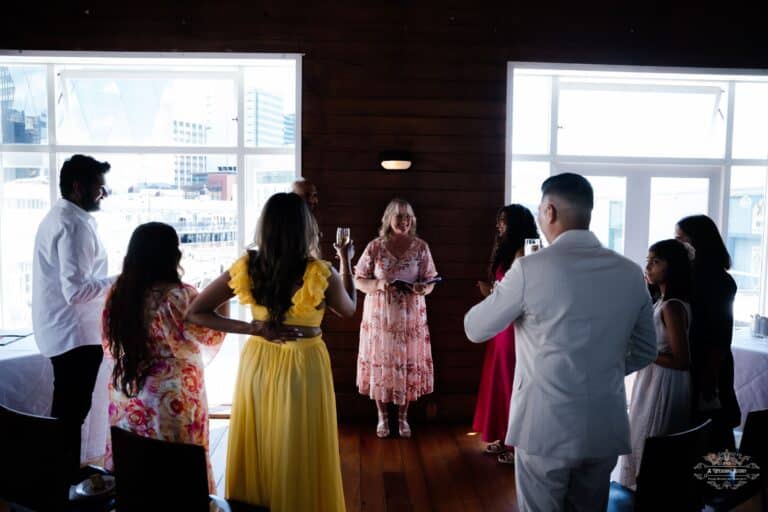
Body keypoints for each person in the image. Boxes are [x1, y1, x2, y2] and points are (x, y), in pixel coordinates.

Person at [464, 173, 657, 511]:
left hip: (543, 425)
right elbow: (645, 350)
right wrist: (603, 369)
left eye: (540, 210)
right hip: (603, 423)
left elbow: (475, 328)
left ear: (549, 210)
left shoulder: (528, 270)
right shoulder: (629, 273)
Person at [186, 192, 356, 511]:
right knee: (297, 442)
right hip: (304, 363)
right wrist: (346, 260)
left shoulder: (248, 267)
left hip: (259, 359)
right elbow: (348, 308)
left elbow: (197, 312)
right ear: (306, 228)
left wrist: (254, 328)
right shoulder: (321, 272)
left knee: (261, 438)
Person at [102, 222, 226, 492]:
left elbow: (110, 344)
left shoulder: (119, 293)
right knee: (179, 473)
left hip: (128, 390)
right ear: (172, 255)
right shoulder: (180, 296)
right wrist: (222, 297)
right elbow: (211, 335)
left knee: (136, 466)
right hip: (173, 396)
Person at [31, 154, 115, 481]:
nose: (103, 194)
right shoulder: (73, 225)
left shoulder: (60, 216)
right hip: (75, 335)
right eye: (99, 187)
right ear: (79, 188)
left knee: (67, 411)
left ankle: (59, 478)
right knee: (70, 413)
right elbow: (76, 291)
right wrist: (121, 279)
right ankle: (60, 483)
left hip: (63, 330)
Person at [354, 198, 438, 438]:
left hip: (410, 319)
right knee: (381, 363)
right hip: (380, 318)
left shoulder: (421, 247)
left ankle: (403, 418)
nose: (404, 221)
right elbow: (359, 279)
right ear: (388, 219)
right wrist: (379, 283)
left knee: (406, 364)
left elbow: (431, 279)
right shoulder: (375, 247)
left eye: (408, 216)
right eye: (399, 216)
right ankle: (382, 417)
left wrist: (424, 288)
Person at [619, 239, 693, 489]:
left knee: (650, 439)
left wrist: (646, 353)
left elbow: (682, 360)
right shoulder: (660, 302)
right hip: (652, 379)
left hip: (664, 383)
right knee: (641, 437)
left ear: (673, 267)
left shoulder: (672, 307)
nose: (648, 266)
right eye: (648, 261)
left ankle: (645, 495)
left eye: (656, 261)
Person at [473, 204, 538, 464]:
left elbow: (527, 290)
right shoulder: (508, 249)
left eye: (504, 221)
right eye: (499, 221)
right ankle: (503, 435)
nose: (499, 226)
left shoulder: (528, 249)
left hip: (515, 326)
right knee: (499, 380)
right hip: (501, 325)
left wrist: (490, 292)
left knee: (512, 380)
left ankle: (516, 445)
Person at [676, 214, 741, 450]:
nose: (678, 245)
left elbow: (720, 334)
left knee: (711, 427)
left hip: (710, 361)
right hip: (698, 358)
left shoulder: (718, 281)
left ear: (698, 242)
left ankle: (721, 482)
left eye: (681, 239)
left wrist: (710, 376)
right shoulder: (689, 276)